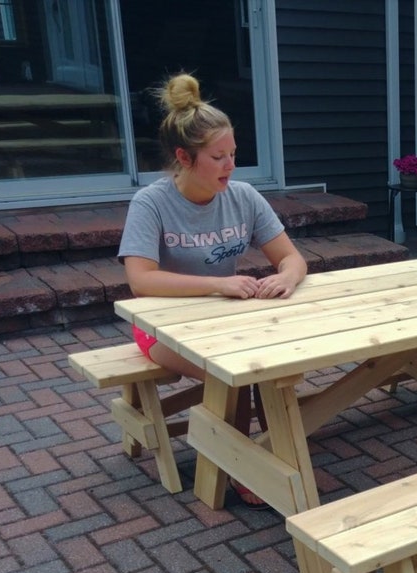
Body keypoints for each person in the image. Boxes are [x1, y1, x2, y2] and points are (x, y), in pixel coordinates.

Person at [119, 73, 307, 507]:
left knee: (273, 364)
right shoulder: (151, 203)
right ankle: (242, 467)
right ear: (184, 157)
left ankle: (262, 452)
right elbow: (141, 280)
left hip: (224, 321)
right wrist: (218, 283)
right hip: (160, 329)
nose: (231, 166)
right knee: (236, 373)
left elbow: (292, 258)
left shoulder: (242, 196)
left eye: (233, 154)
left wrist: (286, 277)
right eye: (218, 157)